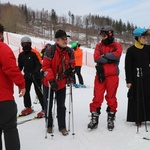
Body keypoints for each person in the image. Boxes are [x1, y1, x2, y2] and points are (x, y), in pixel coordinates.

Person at [87, 26, 122, 131]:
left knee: (111, 97)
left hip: (112, 76)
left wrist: (104, 56)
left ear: (110, 34)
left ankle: (111, 118)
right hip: (100, 75)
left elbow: (117, 55)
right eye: (101, 35)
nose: (102, 37)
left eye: (104, 35)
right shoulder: (98, 46)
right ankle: (94, 118)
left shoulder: (117, 45)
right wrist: (109, 59)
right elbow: (96, 58)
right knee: (97, 97)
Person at [42, 29, 75, 136]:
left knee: (61, 105)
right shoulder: (50, 51)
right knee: (49, 105)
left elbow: (72, 65)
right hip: (49, 84)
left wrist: (71, 72)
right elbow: (46, 67)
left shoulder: (70, 52)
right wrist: (51, 80)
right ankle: (49, 125)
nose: (65, 41)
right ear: (57, 40)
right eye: (63, 39)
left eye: (66, 39)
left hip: (61, 84)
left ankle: (62, 126)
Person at [0, 23, 25, 150]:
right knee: (10, 130)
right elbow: (11, 69)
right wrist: (21, 84)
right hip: (3, 100)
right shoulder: (2, 48)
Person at [125, 27, 150, 126]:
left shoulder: (148, 49)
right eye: (144, 37)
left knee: (148, 97)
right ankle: (137, 118)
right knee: (137, 97)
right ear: (138, 38)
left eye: (146, 37)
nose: (146, 39)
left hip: (147, 77)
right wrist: (129, 81)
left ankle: (148, 117)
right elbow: (128, 67)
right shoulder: (131, 50)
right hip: (136, 78)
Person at [18, 36, 45, 118]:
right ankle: (28, 107)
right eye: (24, 44)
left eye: (27, 44)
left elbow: (39, 64)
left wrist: (35, 72)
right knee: (25, 91)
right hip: (27, 76)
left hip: (35, 76)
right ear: (22, 45)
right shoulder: (21, 55)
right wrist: (17, 74)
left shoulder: (34, 53)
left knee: (38, 92)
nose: (26, 46)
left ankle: (45, 108)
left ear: (30, 44)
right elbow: (20, 67)